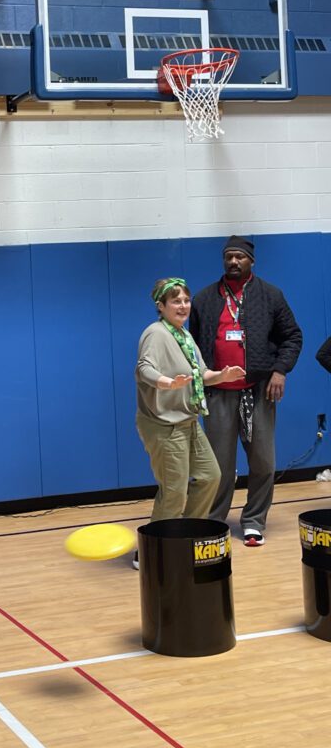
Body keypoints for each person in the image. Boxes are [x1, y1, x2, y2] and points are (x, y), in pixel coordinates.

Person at [189, 236, 302, 546]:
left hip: (258, 390)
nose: (233, 262)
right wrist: (201, 383)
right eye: (229, 257)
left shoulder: (270, 296)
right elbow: (193, 347)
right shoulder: (204, 299)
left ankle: (253, 521)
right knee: (218, 466)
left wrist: (280, 370)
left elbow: (292, 336)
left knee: (263, 462)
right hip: (219, 394)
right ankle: (214, 521)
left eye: (239, 257)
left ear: (251, 260)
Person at [135, 277, 246, 569]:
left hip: (188, 420)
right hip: (163, 424)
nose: (183, 306)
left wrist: (222, 376)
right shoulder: (155, 334)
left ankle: (183, 535)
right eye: (176, 301)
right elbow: (144, 368)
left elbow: (201, 374)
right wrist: (167, 383)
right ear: (161, 306)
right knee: (174, 491)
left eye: (186, 300)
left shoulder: (183, 335)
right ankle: (150, 552)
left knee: (211, 476)